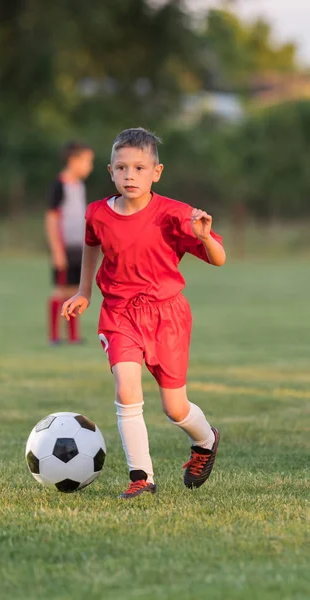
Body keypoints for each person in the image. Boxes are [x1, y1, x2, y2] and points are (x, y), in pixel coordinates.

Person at [61, 128, 226, 499]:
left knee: (175, 407)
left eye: (139, 167)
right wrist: (84, 292)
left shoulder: (175, 215)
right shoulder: (98, 213)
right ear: (110, 171)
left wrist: (204, 237)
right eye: (121, 168)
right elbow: (91, 244)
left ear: (157, 172)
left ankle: (205, 440)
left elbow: (220, 259)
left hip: (167, 316)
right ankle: (142, 477)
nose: (130, 175)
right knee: (127, 388)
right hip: (119, 313)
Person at [46, 141, 94, 344]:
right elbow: (51, 218)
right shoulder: (59, 185)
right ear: (73, 161)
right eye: (86, 161)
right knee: (61, 291)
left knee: (76, 291)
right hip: (64, 247)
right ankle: (55, 336)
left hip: (79, 247)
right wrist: (57, 250)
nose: (89, 167)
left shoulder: (80, 186)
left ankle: (73, 337)